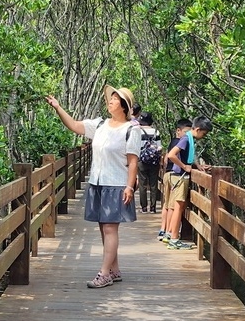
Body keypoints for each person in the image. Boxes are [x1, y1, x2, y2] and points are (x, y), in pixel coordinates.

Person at [45, 85, 141, 288]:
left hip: (116, 184)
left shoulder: (131, 130)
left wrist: (129, 187)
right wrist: (58, 107)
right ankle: (114, 269)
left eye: (115, 99)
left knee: (109, 228)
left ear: (124, 106)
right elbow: (74, 126)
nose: (110, 101)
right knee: (103, 227)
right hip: (97, 182)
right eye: (111, 98)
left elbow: (133, 162)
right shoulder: (99, 125)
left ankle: (104, 273)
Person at [162, 116, 213, 250]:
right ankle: (174, 239)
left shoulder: (189, 138)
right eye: (204, 133)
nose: (204, 136)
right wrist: (185, 167)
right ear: (197, 129)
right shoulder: (186, 139)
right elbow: (171, 155)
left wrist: (197, 165)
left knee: (176, 207)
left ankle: (170, 235)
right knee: (178, 208)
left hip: (179, 175)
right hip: (179, 176)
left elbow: (187, 155)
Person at [158, 118, 191, 240]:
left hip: (168, 174)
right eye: (186, 131)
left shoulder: (173, 142)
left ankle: (163, 230)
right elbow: (172, 156)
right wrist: (184, 166)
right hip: (175, 175)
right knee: (173, 206)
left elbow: (166, 157)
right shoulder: (182, 142)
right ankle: (170, 233)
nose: (188, 135)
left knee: (167, 204)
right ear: (179, 130)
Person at [136, 112, 161, 214]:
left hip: (141, 161)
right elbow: (159, 147)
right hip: (154, 162)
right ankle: (153, 208)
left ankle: (144, 208)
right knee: (153, 185)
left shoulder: (138, 131)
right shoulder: (156, 132)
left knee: (142, 185)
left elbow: (136, 146)